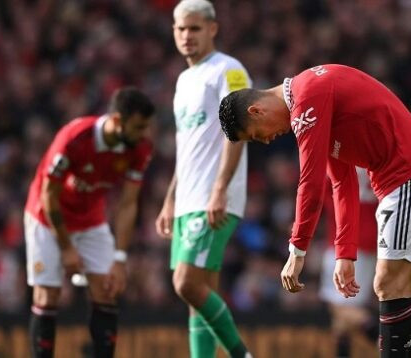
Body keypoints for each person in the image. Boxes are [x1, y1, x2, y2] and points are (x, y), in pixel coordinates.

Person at [218, 64, 411, 357]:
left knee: (388, 284)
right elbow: (342, 183)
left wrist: (297, 251)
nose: (266, 140)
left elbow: (311, 182)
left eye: (256, 135)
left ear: (256, 111)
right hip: (408, 176)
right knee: (397, 287)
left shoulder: (307, 97)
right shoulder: (314, 100)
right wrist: (344, 253)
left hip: (410, 174)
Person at [24, 87, 154, 358]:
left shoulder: (139, 149)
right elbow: (49, 196)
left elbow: (128, 204)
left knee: (107, 290)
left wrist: (119, 258)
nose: (143, 134)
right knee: (47, 296)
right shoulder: (74, 138)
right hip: (47, 219)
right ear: (117, 120)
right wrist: (66, 247)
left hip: (91, 221)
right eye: (138, 127)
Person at [154, 1, 251, 357]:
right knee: (199, 295)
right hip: (187, 199)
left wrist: (220, 189)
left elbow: (238, 130)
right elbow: (187, 145)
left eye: (194, 28)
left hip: (214, 198)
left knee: (185, 283)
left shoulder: (229, 70)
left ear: (213, 28)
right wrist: (170, 199)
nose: (186, 36)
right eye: (180, 29)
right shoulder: (184, 80)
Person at [320, 168, 378, 357]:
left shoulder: (337, 159)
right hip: (371, 237)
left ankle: (388, 342)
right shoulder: (372, 159)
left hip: (344, 239)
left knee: (339, 308)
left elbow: (315, 191)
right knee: (342, 319)